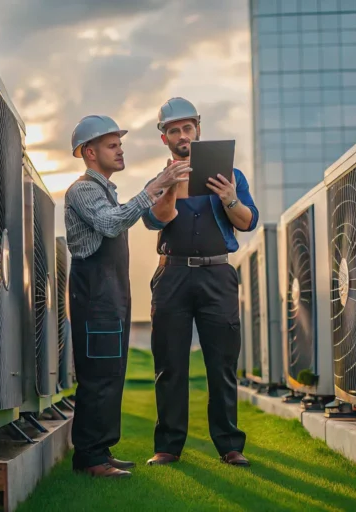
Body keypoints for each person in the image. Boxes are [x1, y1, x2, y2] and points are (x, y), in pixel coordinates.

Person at [64, 114, 190, 478]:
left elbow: (121, 212)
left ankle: (100, 451)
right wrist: (154, 188)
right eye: (112, 145)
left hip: (111, 298)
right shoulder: (83, 190)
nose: (120, 150)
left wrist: (160, 185)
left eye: (120, 144)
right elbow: (110, 222)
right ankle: (89, 458)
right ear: (90, 152)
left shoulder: (107, 190)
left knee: (112, 373)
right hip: (94, 300)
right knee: (98, 377)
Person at [142, 97, 259, 467]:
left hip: (217, 274)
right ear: (165, 139)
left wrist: (228, 198)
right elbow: (154, 221)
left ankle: (229, 445)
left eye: (187, 128)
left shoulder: (232, 176)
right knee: (170, 363)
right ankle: (168, 447)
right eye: (173, 130)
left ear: (198, 130)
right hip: (172, 274)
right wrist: (172, 187)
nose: (182, 136)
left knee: (222, 364)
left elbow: (247, 222)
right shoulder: (159, 180)